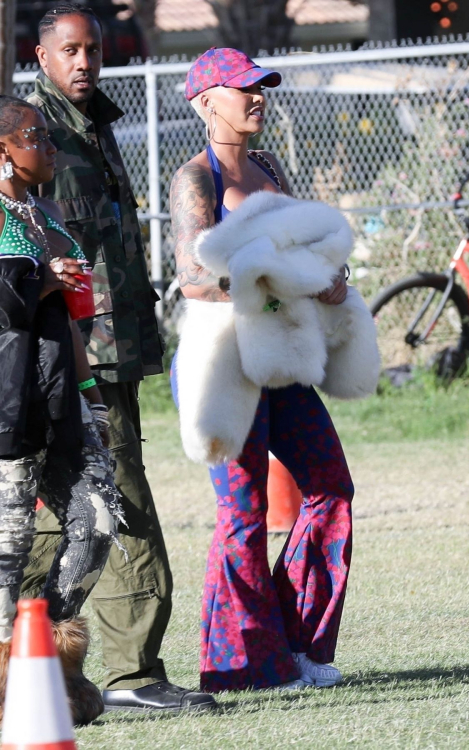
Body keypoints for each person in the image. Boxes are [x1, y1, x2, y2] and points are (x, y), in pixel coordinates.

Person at [20, 3, 216, 713]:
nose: (84, 62)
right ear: (41, 56)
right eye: (69, 51)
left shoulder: (95, 123)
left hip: (109, 345)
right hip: (68, 351)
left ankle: (36, 655)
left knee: (66, 507)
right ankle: (134, 673)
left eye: (93, 50)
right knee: (115, 503)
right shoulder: (26, 131)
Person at [170, 47, 354, 693]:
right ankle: (242, 666)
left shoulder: (270, 166)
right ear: (206, 101)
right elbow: (193, 280)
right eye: (243, 87)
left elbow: (306, 246)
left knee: (331, 488)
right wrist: (278, 286)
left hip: (284, 357)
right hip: (224, 365)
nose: (257, 97)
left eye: (262, 86)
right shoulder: (196, 181)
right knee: (243, 518)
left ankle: (299, 645)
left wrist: (331, 276)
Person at [0, 95, 120, 725]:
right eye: (34, 136)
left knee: (97, 518)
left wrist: (92, 394)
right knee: (8, 544)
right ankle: (11, 685)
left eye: (47, 136)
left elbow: (69, 319)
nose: (47, 146)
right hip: (9, 401)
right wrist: (40, 281)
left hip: (62, 394)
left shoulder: (43, 210)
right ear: (2, 150)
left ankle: (40, 653)